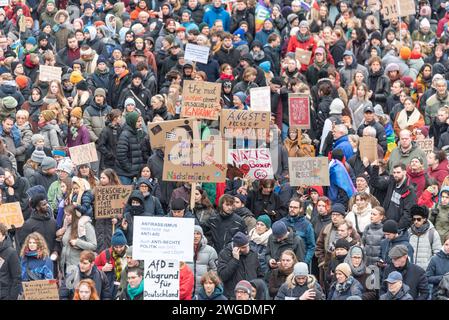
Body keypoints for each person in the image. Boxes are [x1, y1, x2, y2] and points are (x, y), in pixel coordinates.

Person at [216, 231, 263, 299]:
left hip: (250, 296)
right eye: (243, 247)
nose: (247, 249)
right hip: (233, 296)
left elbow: (260, 274)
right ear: (236, 248)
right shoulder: (225, 254)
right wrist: (235, 260)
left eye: (248, 245)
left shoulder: (253, 254)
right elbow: (223, 276)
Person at [57, 204, 97, 276]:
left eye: (68, 215)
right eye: (65, 215)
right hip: (66, 266)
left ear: (75, 215)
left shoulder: (86, 225)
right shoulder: (68, 226)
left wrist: (77, 242)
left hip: (79, 267)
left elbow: (93, 245)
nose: (66, 218)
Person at [17, 194, 57, 258]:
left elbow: (56, 240)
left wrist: (56, 251)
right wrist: (33, 254)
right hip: (34, 261)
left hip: (51, 260)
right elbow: (23, 243)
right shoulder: (28, 224)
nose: (47, 206)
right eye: (43, 205)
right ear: (37, 208)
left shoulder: (53, 222)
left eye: (46, 203)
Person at [94, 230, 128, 298]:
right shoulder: (105, 254)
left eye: (121, 247)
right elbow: (92, 267)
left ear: (125, 244)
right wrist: (102, 268)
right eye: (116, 247)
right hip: (110, 289)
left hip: (126, 286)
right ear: (112, 246)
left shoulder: (131, 254)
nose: (118, 249)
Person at [186, 225, 218, 296]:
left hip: (204, 291)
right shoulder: (184, 250)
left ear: (202, 235)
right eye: (193, 233)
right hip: (186, 290)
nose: (195, 236)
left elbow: (215, 270)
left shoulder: (210, 251)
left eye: (198, 233)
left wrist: (209, 283)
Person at [408, 205, 442, 270]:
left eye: (418, 219)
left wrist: (429, 267)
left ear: (425, 219)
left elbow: (437, 253)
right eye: (414, 219)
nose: (416, 221)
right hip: (410, 270)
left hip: (425, 271)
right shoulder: (409, 232)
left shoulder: (432, 233)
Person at [0, 222, 21, 300]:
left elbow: (17, 278)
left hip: (5, 295)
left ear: (3, 235)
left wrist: (12, 297)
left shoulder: (11, 253)